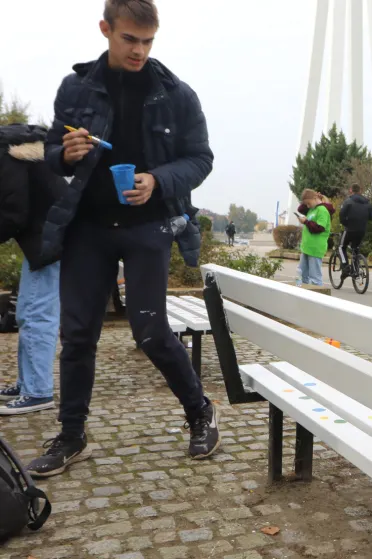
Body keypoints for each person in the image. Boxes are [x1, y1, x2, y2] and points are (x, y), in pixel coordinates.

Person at [29, 0, 220, 478]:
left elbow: (200, 159)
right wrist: (65, 153)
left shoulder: (177, 94)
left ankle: (200, 412)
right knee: (76, 336)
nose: (139, 50)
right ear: (105, 30)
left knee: (152, 331)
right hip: (88, 229)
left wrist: (157, 180)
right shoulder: (75, 88)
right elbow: (52, 150)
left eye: (148, 40)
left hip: (148, 227)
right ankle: (72, 435)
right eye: (129, 39)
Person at [0, 124, 67, 415]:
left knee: (37, 314)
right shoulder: (13, 147)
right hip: (47, 239)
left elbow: (14, 211)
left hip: (52, 242)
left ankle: (38, 391)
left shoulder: (6, 154)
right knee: (28, 312)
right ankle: (27, 382)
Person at [337, 183, 372, 279]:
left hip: (350, 229)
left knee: (341, 247)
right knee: (356, 249)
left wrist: (345, 223)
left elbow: (341, 215)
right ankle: (355, 271)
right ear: (360, 191)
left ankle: (345, 267)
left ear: (351, 190)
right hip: (361, 230)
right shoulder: (367, 202)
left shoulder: (348, 201)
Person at [295, 189, 330, 287]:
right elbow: (300, 209)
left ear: (315, 199)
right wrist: (306, 200)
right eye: (306, 204)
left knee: (314, 278)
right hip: (306, 247)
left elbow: (319, 228)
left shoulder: (322, 210)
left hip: (315, 248)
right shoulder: (311, 209)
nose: (307, 206)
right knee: (302, 276)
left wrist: (306, 222)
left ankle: (317, 298)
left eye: (309, 203)